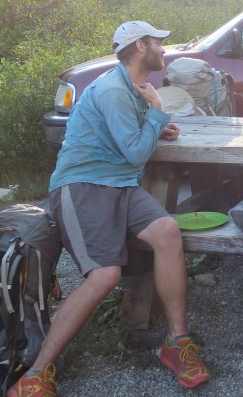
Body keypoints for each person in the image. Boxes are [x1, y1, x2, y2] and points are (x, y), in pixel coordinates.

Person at [8, 22, 209, 397]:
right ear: (139, 46)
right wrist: (157, 112)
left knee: (167, 231)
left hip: (121, 184)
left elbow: (124, 140)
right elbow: (134, 151)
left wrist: (154, 125)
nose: (164, 51)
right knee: (104, 275)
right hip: (83, 185)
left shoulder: (131, 88)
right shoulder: (114, 89)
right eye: (158, 44)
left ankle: (176, 342)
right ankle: (35, 374)